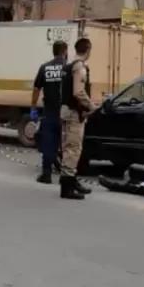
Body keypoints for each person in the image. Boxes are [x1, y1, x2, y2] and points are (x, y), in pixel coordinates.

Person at [59, 37, 94, 200]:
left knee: (68, 148)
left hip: (67, 111)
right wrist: (91, 106)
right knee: (73, 149)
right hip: (74, 113)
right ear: (88, 50)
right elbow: (78, 92)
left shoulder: (67, 66)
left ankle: (70, 182)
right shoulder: (79, 67)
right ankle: (67, 188)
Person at [31, 40, 68, 184]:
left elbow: (36, 89)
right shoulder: (68, 67)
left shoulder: (44, 67)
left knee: (48, 143)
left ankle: (46, 174)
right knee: (66, 144)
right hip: (65, 112)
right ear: (65, 51)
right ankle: (66, 176)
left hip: (49, 112)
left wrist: (33, 107)